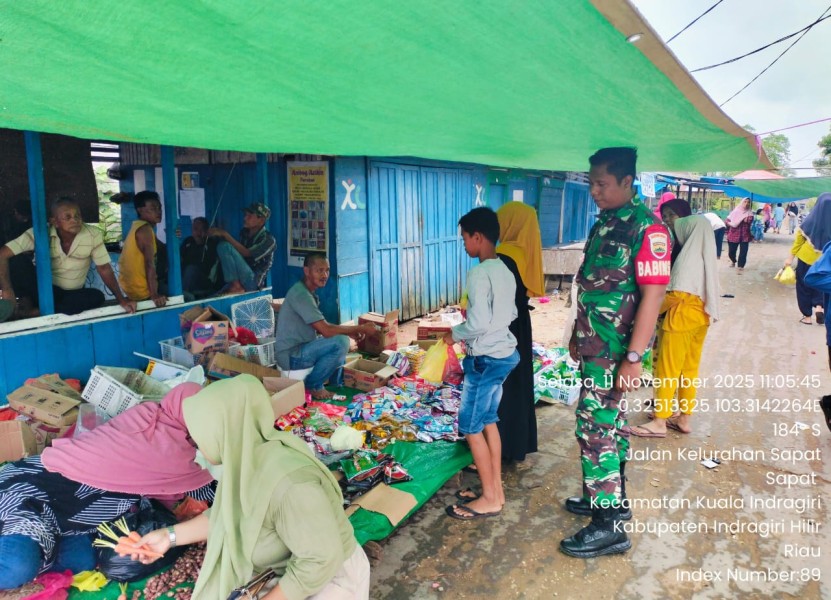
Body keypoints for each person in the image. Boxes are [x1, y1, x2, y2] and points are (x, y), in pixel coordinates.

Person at [132, 375, 370, 599]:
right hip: (290, 577)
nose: (195, 446)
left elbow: (320, 561)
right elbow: (228, 515)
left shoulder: (292, 486)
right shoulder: (247, 461)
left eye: (196, 436)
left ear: (222, 431)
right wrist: (168, 536)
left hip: (330, 584)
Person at [561, 147, 670, 558]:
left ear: (627, 182)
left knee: (595, 428)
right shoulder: (606, 222)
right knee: (612, 423)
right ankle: (610, 497)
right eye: (590, 183)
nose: (593, 191)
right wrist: (575, 332)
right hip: (594, 344)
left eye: (601, 183)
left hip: (616, 353)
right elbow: (591, 285)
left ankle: (607, 527)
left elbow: (653, 296)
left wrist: (634, 359)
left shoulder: (649, 229)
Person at [0, 384, 216, 589]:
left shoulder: (148, 415)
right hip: (32, 493)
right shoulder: (169, 450)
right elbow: (209, 491)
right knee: (18, 566)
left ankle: (35, 549)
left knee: (83, 559)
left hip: (73, 512)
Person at [443, 207, 518, 521]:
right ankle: (495, 490)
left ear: (478, 237)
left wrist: (452, 335)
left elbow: (477, 322)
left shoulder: (478, 273)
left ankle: (489, 497)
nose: (463, 245)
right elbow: (509, 314)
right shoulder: (505, 269)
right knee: (488, 419)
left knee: (470, 426)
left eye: (464, 239)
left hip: (484, 360)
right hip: (503, 355)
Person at [630, 216, 719, 437]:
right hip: (700, 318)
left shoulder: (687, 259)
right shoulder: (704, 256)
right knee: (689, 370)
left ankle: (660, 421)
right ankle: (684, 418)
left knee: (667, 370)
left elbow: (677, 292)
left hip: (680, 320)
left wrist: (650, 310)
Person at [0, 198, 136, 316]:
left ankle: (34, 312)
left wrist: (121, 299)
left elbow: (104, 269)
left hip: (71, 295)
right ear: (55, 221)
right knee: (15, 260)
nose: (75, 220)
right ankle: (26, 301)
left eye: (78, 215)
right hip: (42, 292)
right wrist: (7, 291)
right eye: (68, 217)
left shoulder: (92, 234)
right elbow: (2, 255)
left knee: (96, 297)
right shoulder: (40, 233)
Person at [274, 253, 375, 399]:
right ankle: (313, 386)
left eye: (327, 270)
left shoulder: (308, 293)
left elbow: (322, 329)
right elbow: (326, 330)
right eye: (319, 270)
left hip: (301, 350)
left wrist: (349, 332)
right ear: (307, 271)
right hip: (291, 356)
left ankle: (335, 383)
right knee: (341, 342)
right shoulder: (301, 295)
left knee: (340, 341)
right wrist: (359, 328)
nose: (325, 275)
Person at [493, 202, 544, 463]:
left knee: (501, 387)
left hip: (503, 326)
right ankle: (516, 445)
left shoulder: (503, 255)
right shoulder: (525, 253)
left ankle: (498, 449)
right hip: (520, 324)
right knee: (517, 384)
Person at [208, 203, 276, 293]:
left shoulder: (269, 240)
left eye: (250, 216)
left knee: (224, 246)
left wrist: (225, 234)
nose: (245, 218)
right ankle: (236, 285)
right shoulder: (244, 233)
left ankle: (236, 286)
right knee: (215, 297)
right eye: (245, 215)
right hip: (241, 278)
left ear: (261, 220)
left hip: (253, 281)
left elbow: (247, 253)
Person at [784, 192, 830, 325]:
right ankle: (820, 308)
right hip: (825, 261)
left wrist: (790, 258)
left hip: (806, 258)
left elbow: (798, 241)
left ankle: (807, 316)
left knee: (804, 286)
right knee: (822, 285)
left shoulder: (809, 221)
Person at [119, 191, 167, 307]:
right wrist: (154, 294)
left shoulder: (138, 226)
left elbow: (163, 248)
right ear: (140, 210)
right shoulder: (145, 230)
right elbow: (149, 263)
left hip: (131, 290)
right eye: (153, 208)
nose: (158, 211)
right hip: (143, 290)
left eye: (159, 208)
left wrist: (174, 235)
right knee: (188, 297)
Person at [180, 216, 221, 297]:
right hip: (186, 277)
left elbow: (210, 265)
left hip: (204, 279)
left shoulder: (211, 243)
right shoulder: (188, 241)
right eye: (195, 228)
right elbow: (180, 257)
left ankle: (184, 297)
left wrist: (201, 239)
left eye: (201, 229)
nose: (197, 231)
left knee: (191, 269)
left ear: (206, 230)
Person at [659, 198, 692, 266]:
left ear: (683, 215)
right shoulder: (663, 241)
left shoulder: (691, 242)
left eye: (671, 214)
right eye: (664, 216)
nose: (666, 219)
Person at [724, 198, 753, 270]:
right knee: (731, 252)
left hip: (745, 235)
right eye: (745, 202)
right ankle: (733, 261)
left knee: (743, 252)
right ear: (742, 202)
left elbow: (749, 220)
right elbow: (727, 221)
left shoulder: (749, 213)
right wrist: (732, 223)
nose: (746, 203)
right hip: (733, 235)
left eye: (748, 202)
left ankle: (741, 266)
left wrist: (744, 219)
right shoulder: (735, 212)